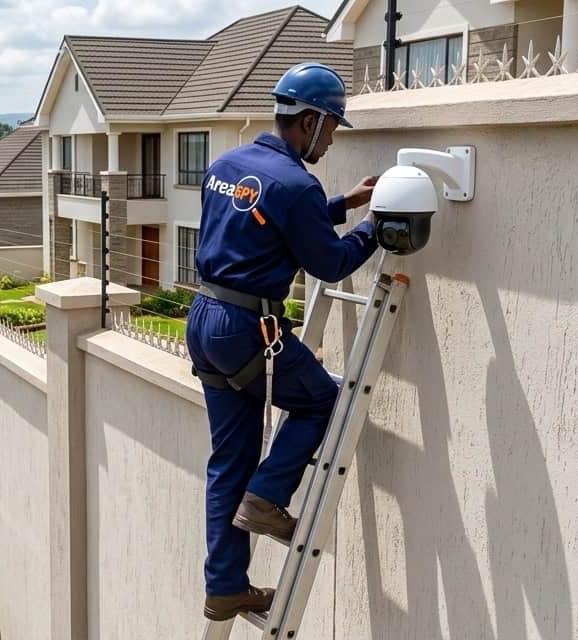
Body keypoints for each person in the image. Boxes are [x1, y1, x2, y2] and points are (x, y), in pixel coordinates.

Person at [188, 61, 381, 621]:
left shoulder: (228, 163)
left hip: (204, 321)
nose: (332, 139)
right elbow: (331, 261)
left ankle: (225, 586)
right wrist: (376, 224)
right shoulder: (297, 184)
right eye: (333, 127)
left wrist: (342, 205)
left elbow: (263, 224)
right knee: (323, 400)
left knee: (229, 461)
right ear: (313, 121)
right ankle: (270, 497)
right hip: (249, 328)